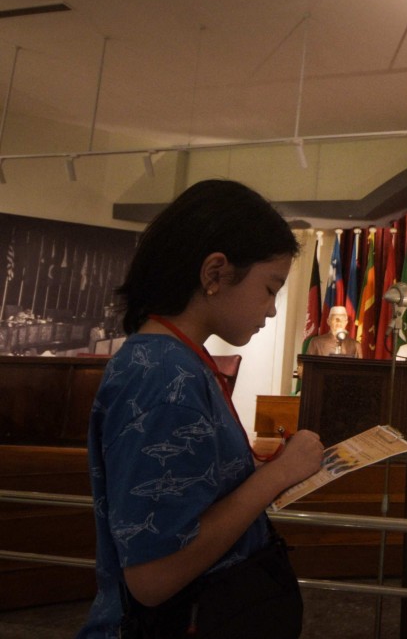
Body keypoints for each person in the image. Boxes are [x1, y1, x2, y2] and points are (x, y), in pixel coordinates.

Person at [77, 180, 325, 639]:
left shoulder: (176, 362)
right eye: (269, 289)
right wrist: (278, 474)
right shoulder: (163, 375)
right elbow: (154, 577)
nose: (271, 311)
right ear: (215, 273)